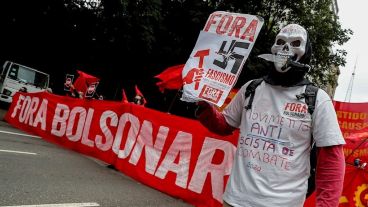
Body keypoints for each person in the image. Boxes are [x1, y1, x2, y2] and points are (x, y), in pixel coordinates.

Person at [196, 24, 345, 207]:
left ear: (305, 52)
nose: (285, 49)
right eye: (280, 42)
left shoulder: (317, 99)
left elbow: (332, 160)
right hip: (235, 200)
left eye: (295, 43)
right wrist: (204, 107)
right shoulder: (251, 88)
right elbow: (224, 125)